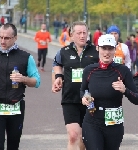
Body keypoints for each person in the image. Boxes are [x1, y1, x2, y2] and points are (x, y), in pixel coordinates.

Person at [80, 34, 138, 150]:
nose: (106, 52)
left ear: (115, 49)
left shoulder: (123, 71)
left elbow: (137, 99)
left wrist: (125, 90)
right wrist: (84, 98)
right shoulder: (89, 70)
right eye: (104, 48)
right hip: (92, 122)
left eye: (110, 49)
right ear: (98, 48)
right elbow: (83, 90)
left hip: (114, 124)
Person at [0, 23, 40, 150]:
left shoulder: (25, 57)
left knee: (13, 145)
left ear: (15, 38)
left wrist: (23, 79)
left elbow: (37, 81)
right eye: (0, 37)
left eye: (7, 38)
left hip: (16, 106)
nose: (2, 41)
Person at [52, 21, 99, 150]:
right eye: (79, 33)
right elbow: (56, 64)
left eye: (85, 33)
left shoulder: (96, 51)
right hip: (70, 99)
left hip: (90, 99)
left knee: (85, 138)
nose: (82, 36)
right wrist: (58, 77)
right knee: (73, 135)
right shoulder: (63, 52)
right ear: (71, 35)